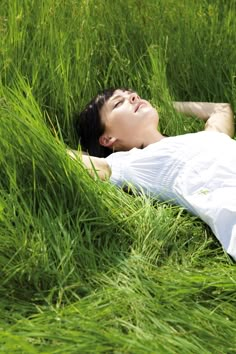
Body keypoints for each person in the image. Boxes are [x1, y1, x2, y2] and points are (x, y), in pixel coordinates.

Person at [68, 88, 236, 260]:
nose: (134, 96)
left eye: (133, 94)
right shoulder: (133, 162)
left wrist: (163, 105)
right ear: (108, 138)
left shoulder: (208, 136)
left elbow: (221, 108)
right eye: (118, 103)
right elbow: (73, 158)